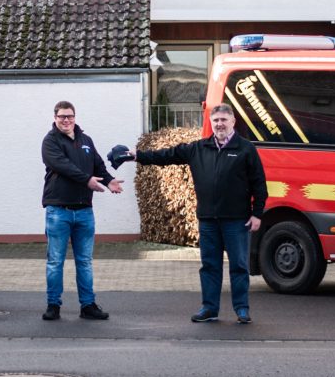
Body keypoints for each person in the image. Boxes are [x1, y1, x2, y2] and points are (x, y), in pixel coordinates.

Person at [126, 104, 267, 324]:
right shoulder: (199, 148)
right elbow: (168, 155)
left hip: (237, 221)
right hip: (208, 220)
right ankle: (209, 308)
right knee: (209, 265)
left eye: (224, 119)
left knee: (239, 266)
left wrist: (257, 214)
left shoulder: (245, 149)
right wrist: (137, 156)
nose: (220, 124)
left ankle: (241, 309)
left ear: (233, 122)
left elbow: (259, 184)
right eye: (216, 120)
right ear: (211, 123)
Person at [40, 100, 123, 321]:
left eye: (70, 116)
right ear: (55, 118)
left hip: (84, 212)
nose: (66, 120)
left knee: (84, 261)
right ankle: (53, 305)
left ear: (75, 117)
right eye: (61, 117)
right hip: (58, 211)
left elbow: (98, 165)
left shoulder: (86, 141)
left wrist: (109, 180)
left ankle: (88, 306)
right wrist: (87, 180)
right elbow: (62, 166)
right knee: (55, 261)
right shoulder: (50, 142)